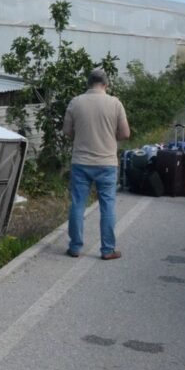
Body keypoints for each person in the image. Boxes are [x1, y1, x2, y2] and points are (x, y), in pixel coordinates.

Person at [63, 68, 131, 260]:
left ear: (88, 83)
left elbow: (67, 131)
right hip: (107, 162)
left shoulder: (75, 102)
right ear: (105, 84)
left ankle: (75, 247)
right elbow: (125, 134)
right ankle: (107, 250)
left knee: (78, 204)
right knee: (107, 205)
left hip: (81, 162)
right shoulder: (115, 103)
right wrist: (111, 136)